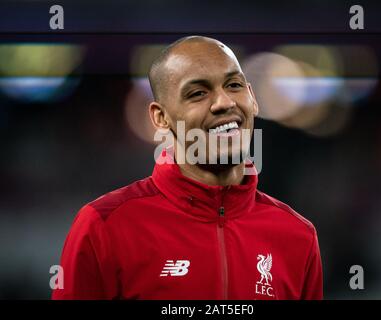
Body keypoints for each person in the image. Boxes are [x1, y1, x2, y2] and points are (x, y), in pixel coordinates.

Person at [52, 36, 323, 300]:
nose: (224, 103)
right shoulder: (103, 226)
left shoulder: (298, 236)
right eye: (198, 93)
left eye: (234, 85)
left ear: (252, 97)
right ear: (161, 117)